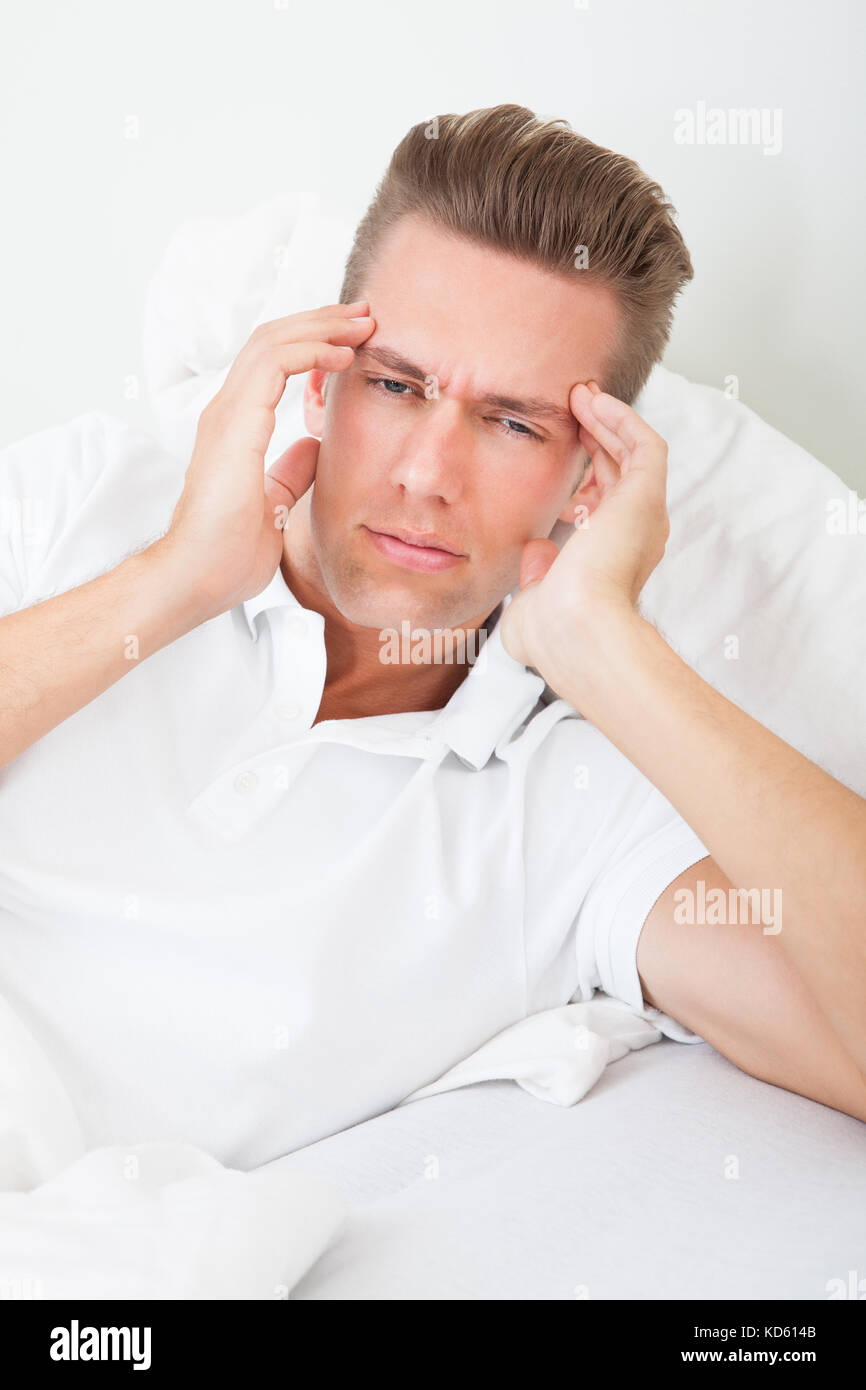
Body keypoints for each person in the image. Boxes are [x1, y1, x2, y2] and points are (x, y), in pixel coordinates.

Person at [0, 105, 863, 1171]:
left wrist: (607, 647)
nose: (424, 474)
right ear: (318, 383)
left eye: (511, 423)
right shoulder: (81, 504)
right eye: (397, 385)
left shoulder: (572, 813)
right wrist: (174, 582)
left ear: (587, 482)